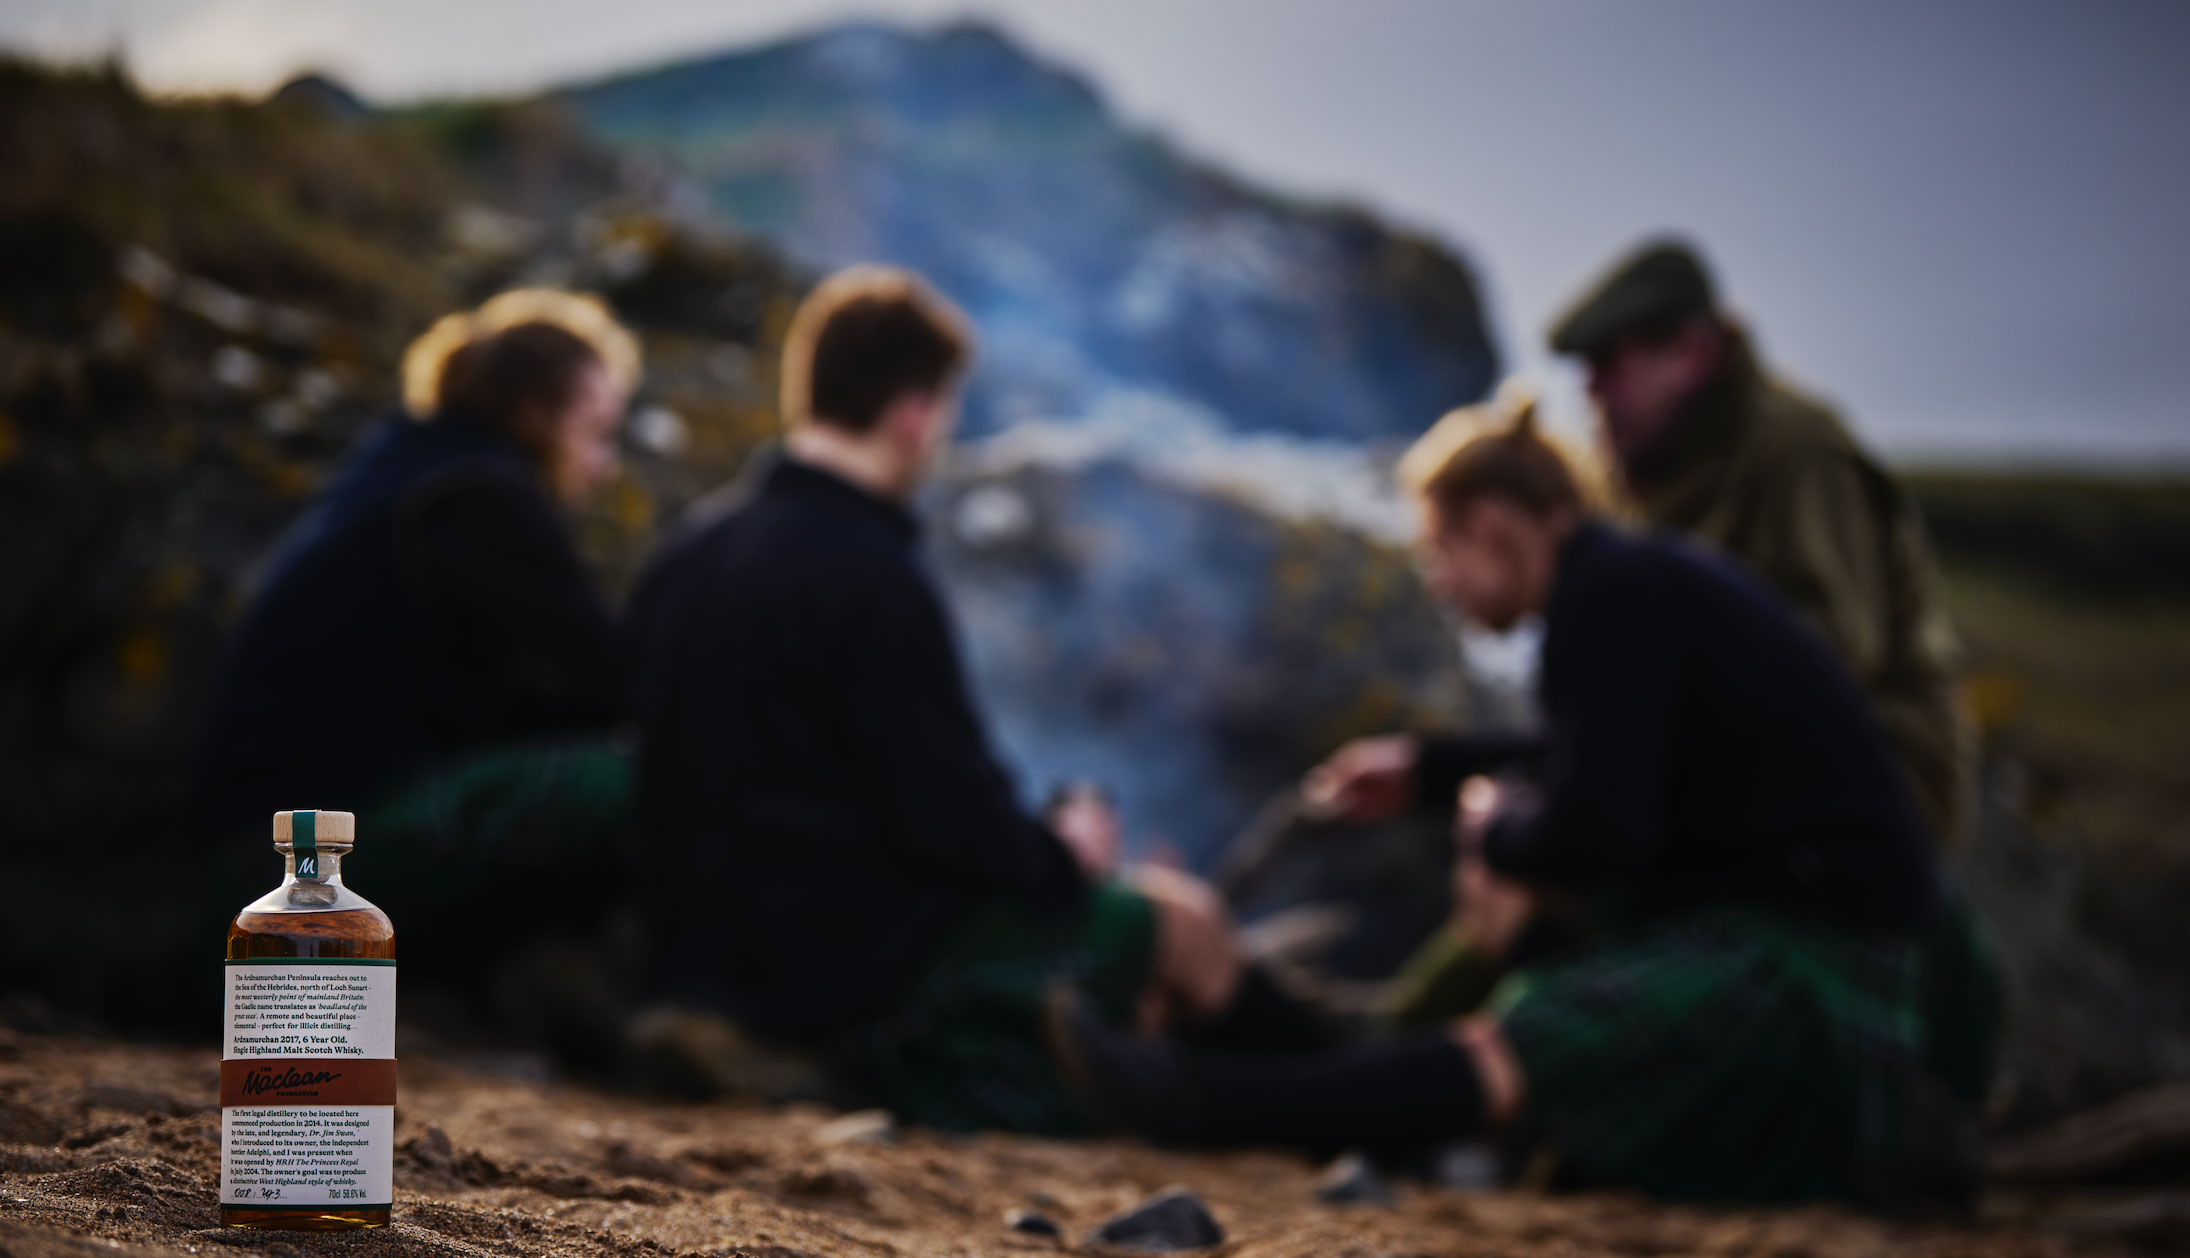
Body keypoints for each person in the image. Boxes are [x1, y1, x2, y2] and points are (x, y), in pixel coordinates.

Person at [1056, 395, 1993, 1211]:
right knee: (1530, 1031)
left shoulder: (1609, 599)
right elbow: (1594, 757)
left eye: (1440, 551)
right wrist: (1429, 773)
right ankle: (1222, 1095)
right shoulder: (1630, 583)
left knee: (1529, 1042)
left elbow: (1598, 833)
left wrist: (1495, 833)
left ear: (1493, 526)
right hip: (1830, 932)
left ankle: (1188, 1105)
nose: (1440, 585)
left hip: (1813, 959)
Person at [626, 266, 1317, 1134]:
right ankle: (1349, 1102)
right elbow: (951, 817)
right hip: (840, 970)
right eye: (945, 412)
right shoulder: (873, 577)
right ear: (914, 410)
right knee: (1182, 924)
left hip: (687, 954)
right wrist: (1067, 855)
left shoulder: (687, 555)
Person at [192, 290, 641, 977]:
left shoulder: (404, 470)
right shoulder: (478, 497)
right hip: (297, 865)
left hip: (251, 841)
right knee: (629, 782)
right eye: (597, 430)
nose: (603, 464)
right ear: (533, 414)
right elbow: (609, 682)